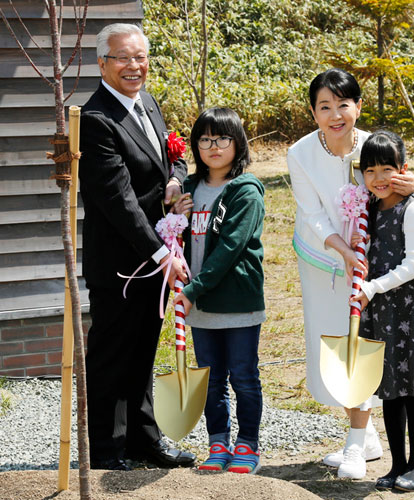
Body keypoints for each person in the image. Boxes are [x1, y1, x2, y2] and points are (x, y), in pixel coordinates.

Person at [286, 68, 414, 479]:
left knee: (363, 340)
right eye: (324, 107)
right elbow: (311, 213)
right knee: (333, 341)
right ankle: (364, 440)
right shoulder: (300, 153)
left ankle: (354, 441)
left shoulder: (373, 147)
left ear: (358, 106)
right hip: (324, 258)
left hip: (375, 261)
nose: (335, 115)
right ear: (313, 112)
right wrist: (344, 250)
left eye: (343, 105)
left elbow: (407, 196)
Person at [79, 23, 195, 470]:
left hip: (154, 254)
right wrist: (163, 255)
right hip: (121, 262)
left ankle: (144, 440)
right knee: (112, 355)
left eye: (141, 57)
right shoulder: (95, 120)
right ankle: (106, 451)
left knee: (144, 350)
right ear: (102, 63)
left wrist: (174, 179)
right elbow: (118, 201)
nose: (135, 66)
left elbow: (174, 156)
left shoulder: (147, 101)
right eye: (124, 58)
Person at [350, 130, 414, 491]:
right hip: (385, 310)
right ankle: (396, 464)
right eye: (369, 170)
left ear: (403, 170)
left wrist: (371, 288)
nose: (378, 178)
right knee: (388, 389)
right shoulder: (369, 212)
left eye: (386, 169)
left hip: (413, 309)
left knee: (413, 390)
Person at [172, 107, 265, 474]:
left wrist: (195, 288)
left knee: (243, 376)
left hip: (237, 301)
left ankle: (248, 445)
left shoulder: (246, 191)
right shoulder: (191, 189)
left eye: (222, 138)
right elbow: (180, 240)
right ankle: (218, 442)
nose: (213, 147)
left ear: (237, 143)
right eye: (205, 139)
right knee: (211, 380)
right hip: (201, 302)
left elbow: (230, 248)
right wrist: (176, 216)